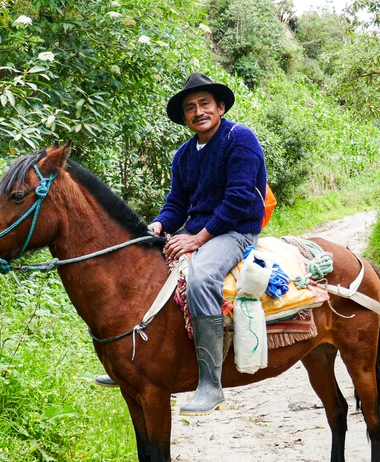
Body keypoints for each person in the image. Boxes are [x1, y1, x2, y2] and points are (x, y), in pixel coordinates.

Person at [96, 72, 267, 416]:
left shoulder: (239, 139)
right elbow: (177, 203)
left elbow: (238, 199)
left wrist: (198, 238)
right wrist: (159, 224)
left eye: (205, 103)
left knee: (202, 278)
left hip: (235, 230)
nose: (198, 111)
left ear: (220, 107)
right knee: (138, 268)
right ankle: (135, 361)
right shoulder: (184, 155)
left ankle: (210, 382)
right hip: (198, 230)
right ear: (185, 118)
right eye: (190, 107)